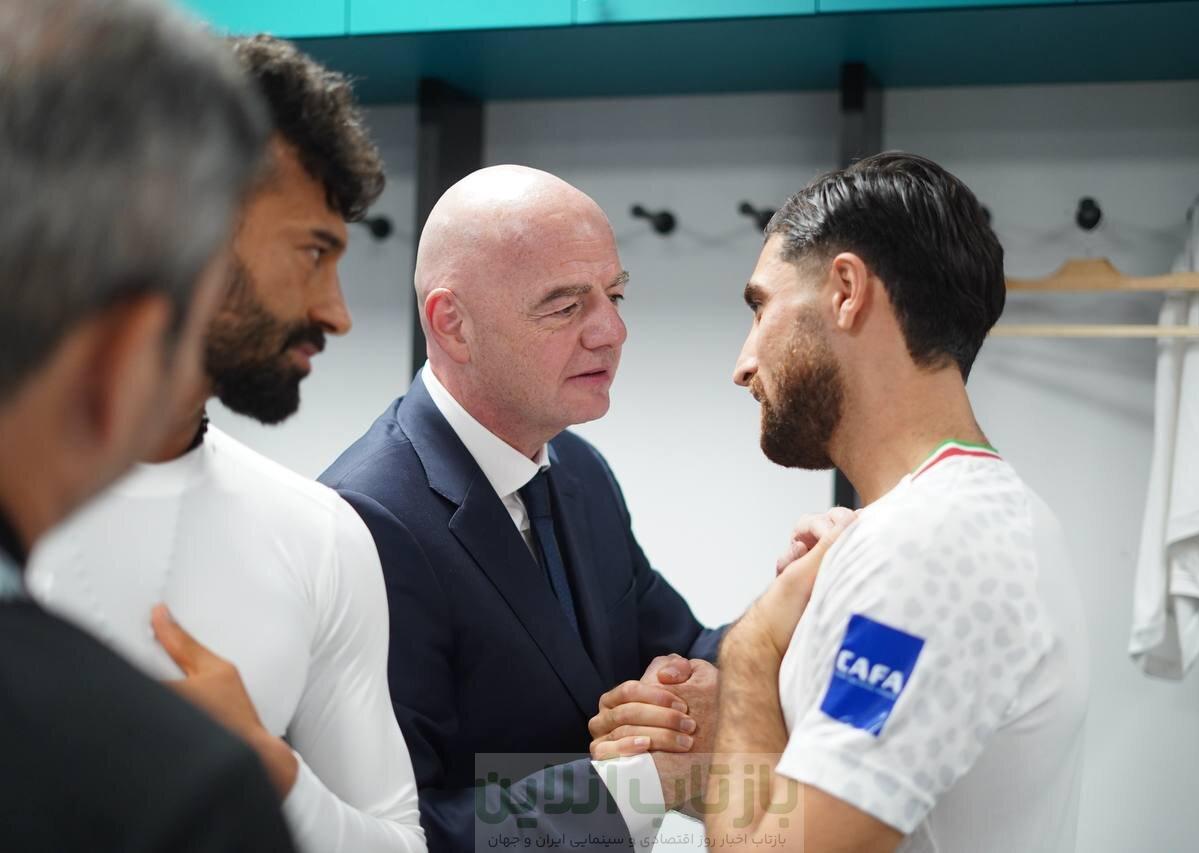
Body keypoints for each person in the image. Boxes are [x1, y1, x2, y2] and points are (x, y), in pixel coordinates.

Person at [26, 34, 425, 853]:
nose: (338, 312)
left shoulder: (322, 534)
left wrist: (263, 767)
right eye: (312, 252)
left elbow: (398, 843)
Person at [682, 152, 1089, 851]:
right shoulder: (942, 526)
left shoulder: (930, 548)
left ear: (846, 291)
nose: (743, 364)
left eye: (761, 307)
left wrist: (752, 647)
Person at [320, 165, 727, 851]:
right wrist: (642, 782)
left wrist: (710, 677)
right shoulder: (367, 521)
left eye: (615, 294)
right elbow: (398, 832)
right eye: (565, 308)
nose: (612, 331)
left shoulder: (576, 468)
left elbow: (677, 644)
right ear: (453, 325)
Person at [0, 0, 295, 850]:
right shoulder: (166, 790)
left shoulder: (584, 496)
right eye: (567, 304)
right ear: (123, 355)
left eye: (617, 294)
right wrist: (627, 792)